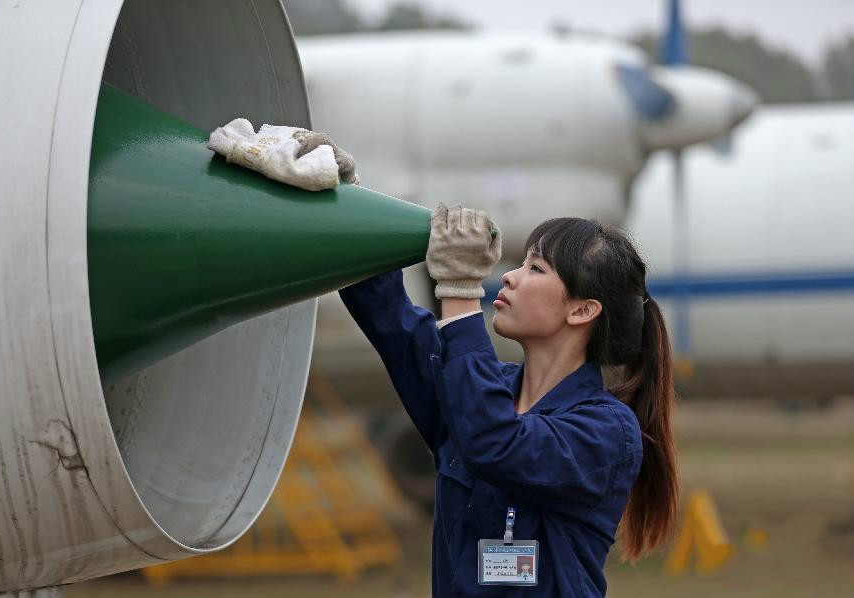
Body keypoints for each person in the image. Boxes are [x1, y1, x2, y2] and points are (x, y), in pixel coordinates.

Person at [288, 131, 679, 597]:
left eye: (535, 269)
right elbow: (392, 322)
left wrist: (459, 291)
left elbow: (494, 440)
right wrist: (348, 200)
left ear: (582, 311)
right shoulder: (479, 388)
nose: (509, 276)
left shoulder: (607, 433)